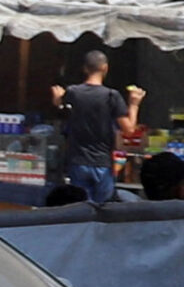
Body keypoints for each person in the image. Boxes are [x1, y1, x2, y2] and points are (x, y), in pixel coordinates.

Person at [50, 50, 143, 203]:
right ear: (105, 68)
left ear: (85, 69)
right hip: (102, 163)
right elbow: (129, 129)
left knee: (79, 208)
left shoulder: (74, 92)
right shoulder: (111, 96)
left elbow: (59, 102)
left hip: (77, 161)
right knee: (104, 209)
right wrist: (134, 104)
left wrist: (57, 98)